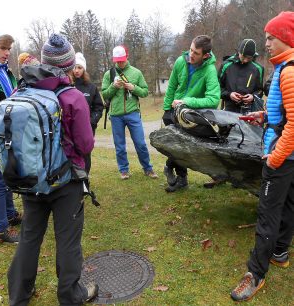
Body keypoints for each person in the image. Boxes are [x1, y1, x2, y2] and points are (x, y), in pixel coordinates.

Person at [7, 34, 98, 305]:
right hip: (65, 182)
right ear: (69, 64)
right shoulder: (71, 96)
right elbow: (85, 144)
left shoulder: (22, 90)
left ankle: (19, 295)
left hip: (31, 179)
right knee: (68, 240)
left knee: (29, 237)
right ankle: (71, 295)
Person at [231, 11, 294, 302]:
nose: (266, 43)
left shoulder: (290, 70)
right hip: (289, 156)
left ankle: (255, 274)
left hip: (282, 156)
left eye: (271, 38)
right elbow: (285, 114)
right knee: (289, 205)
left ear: (286, 38)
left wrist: (274, 158)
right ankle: (280, 252)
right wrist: (264, 116)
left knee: (267, 213)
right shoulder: (285, 67)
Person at [203, 38, 265, 189]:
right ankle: (219, 176)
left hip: (249, 111)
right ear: (238, 52)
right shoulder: (226, 65)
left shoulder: (258, 68)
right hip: (229, 109)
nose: (244, 60)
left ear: (253, 56)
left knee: (245, 144)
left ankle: (241, 179)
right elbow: (216, 89)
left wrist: (253, 96)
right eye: (243, 56)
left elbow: (260, 90)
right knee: (223, 142)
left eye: (248, 58)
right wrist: (229, 95)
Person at [162, 35, 221, 192]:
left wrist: (187, 101)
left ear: (205, 55)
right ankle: (182, 180)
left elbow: (214, 99)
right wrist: (167, 109)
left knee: (181, 145)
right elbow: (172, 85)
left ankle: (169, 167)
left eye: (196, 53)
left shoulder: (209, 70)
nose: (191, 55)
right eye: (190, 49)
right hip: (173, 110)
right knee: (174, 144)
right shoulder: (181, 61)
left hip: (191, 116)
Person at [101, 45, 158, 180]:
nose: (119, 63)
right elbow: (105, 94)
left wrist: (134, 88)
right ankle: (124, 170)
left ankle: (148, 168)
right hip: (115, 115)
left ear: (127, 57)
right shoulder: (109, 74)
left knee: (140, 143)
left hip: (133, 113)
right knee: (120, 145)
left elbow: (145, 92)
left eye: (122, 60)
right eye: (117, 61)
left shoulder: (136, 73)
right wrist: (113, 86)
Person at [0, 32, 22, 243]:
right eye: (3, 48)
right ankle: (1, 230)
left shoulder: (4, 70)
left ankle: (11, 214)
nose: (7, 53)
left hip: (7, 133)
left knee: (8, 174)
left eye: (9, 49)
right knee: (0, 181)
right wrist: (7, 109)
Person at [73, 52, 104, 174]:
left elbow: (98, 107)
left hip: (87, 128)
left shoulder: (91, 87)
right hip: (71, 128)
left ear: (84, 69)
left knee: (86, 154)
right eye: (74, 67)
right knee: (72, 153)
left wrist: (92, 121)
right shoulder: (67, 85)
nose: (76, 70)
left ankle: (85, 179)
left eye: (79, 67)